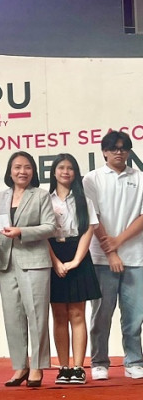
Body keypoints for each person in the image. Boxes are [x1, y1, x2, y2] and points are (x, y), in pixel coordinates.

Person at [83, 130, 143, 380]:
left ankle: (134, 360)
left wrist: (119, 241)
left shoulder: (140, 177)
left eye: (123, 148)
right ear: (104, 152)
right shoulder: (92, 179)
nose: (119, 152)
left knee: (134, 316)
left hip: (136, 257)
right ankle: (99, 362)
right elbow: (93, 217)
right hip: (101, 259)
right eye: (113, 148)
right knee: (101, 315)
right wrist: (111, 251)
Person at [0, 151, 56, 388]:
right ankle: (20, 366)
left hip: (35, 260)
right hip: (5, 261)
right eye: (17, 167)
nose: (22, 171)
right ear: (10, 171)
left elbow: (50, 227)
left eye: (27, 167)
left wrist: (22, 232)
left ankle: (37, 366)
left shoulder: (40, 195)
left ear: (33, 171)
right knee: (13, 316)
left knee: (37, 315)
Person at [48, 153, 101, 385]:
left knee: (78, 314)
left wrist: (77, 260)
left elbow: (88, 230)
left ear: (76, 173)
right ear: (54, 172)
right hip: (53, 254)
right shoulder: (45, 200)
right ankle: (64, 368)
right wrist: (55, 262)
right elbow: (42, 234)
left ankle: (78, 368)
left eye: (70, 168)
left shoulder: (84, 200)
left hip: (78, 254)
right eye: (61, 167)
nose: (65, 172)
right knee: (59, 315)